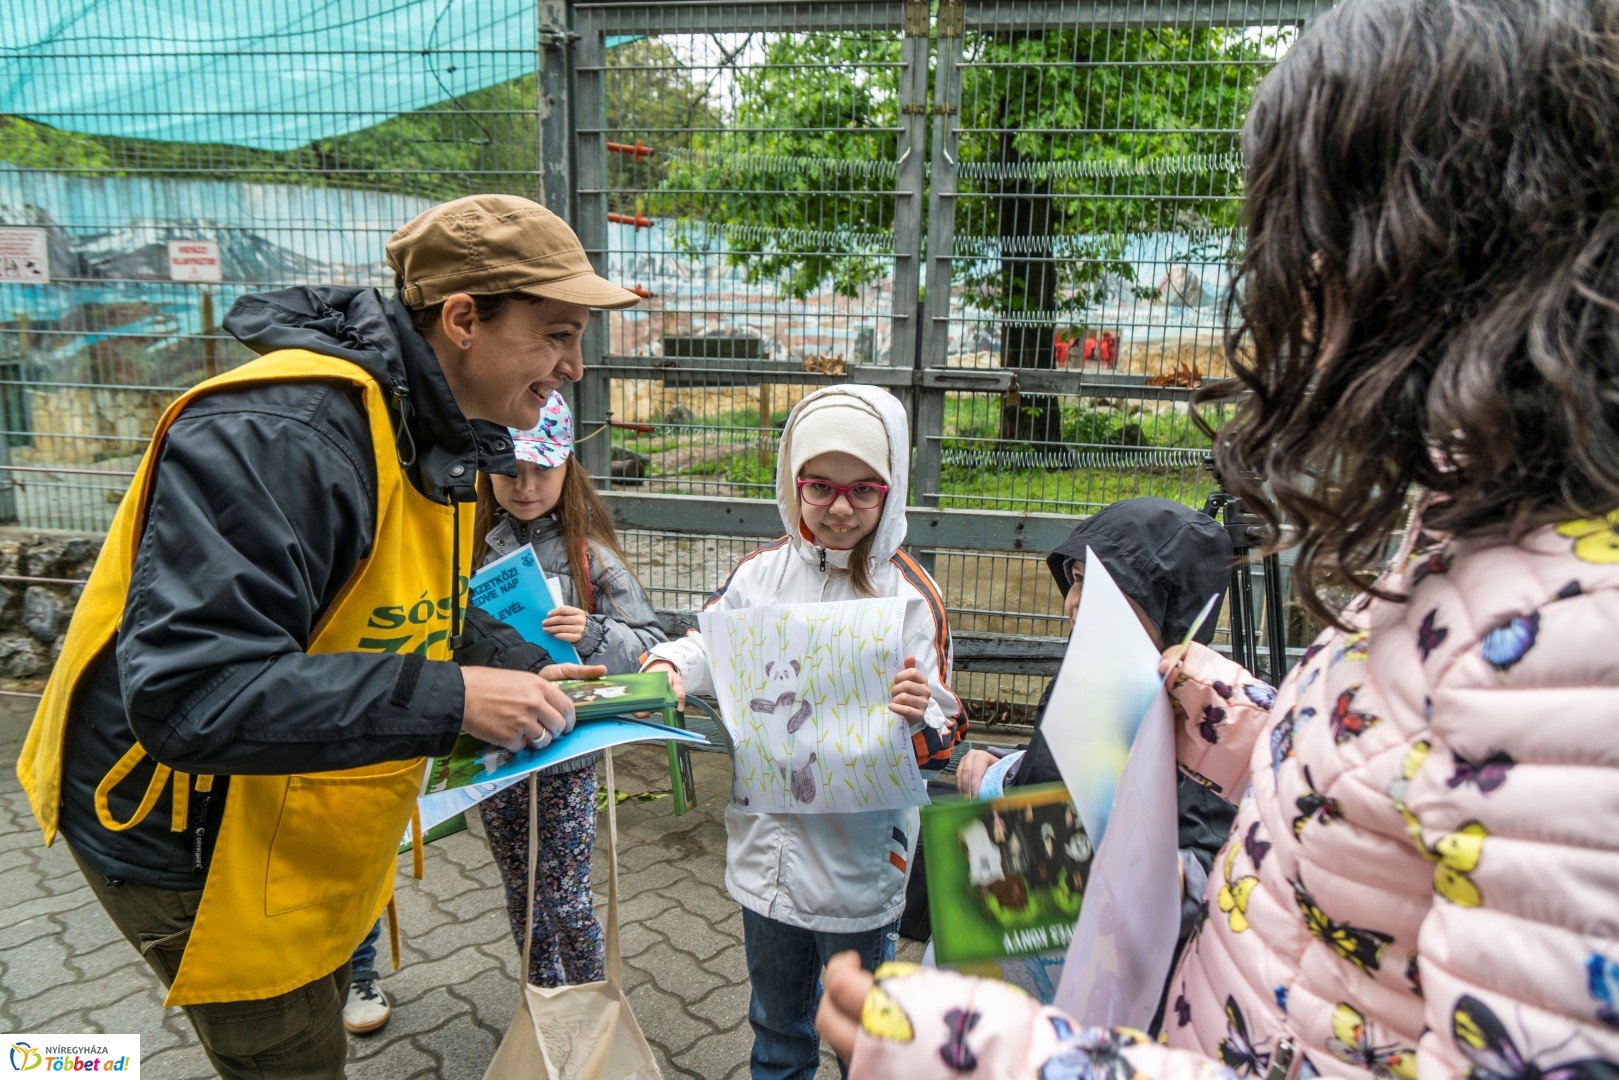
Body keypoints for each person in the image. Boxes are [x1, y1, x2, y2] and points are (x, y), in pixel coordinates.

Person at [814, 0, 1619, 1074]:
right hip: (1193, 956)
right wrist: (1251, 728)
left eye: (1311, 245)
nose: (1289, 298)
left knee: (985, 898)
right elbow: (1417, 781)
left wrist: (1006, 1055)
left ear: (1435, 255)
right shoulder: (1483, 515)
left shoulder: (1565, 653)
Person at [15, 193, 636, 1078]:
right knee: (290, 1056)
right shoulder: (281, 435)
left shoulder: (437, 431)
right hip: (184, 831)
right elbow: (195, 695)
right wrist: (457, 697)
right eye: (556, 335)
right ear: (462, 319)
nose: (574, 366)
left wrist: (532, 665)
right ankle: (49, 1063)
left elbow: (414, 598)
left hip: (286, 806)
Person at [642, 384, 966, 1079]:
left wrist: (919, 714)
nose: (840, 507)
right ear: (793, 483)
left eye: (863, 489)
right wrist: (671, 664)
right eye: (818, 486)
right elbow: (711, 642)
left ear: (891, 491)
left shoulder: (908, 598)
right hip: (767, 853)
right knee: (776, 1027)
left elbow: (943, 726)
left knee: (857, 1037)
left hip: (860, 863)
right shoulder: (759, 576)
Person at [944, 498, 1238, 1008]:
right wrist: (999, 763)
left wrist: (1155, 874)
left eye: (1098, 588)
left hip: (1104, 977)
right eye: (1075, 579)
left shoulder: (1205, 727)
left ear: (1168, 603)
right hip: (1022, 930)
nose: (1071, 602)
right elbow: (1046, 772)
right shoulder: (1085, 677)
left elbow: (1201, 868)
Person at [471, 390, 667, 988]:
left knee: (569, 895)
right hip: (492, 750)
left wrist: (593, 630)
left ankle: (589, 1000)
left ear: (567, 468)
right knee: (521, 893)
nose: (525, 484)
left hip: (565, 753)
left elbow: (651, 646)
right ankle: (542, 999)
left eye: (542, 467)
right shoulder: (470, 547)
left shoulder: (593, 556)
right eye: (509, 468)